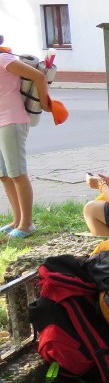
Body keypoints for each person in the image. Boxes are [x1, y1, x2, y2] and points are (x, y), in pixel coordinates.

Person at [0, 36, 52, 238]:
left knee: (17, 173)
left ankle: (27, 224)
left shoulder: (4, 59)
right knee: (4, 175)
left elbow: (39, 77)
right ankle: (16, 220)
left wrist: (46, 104)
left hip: (12, 121)